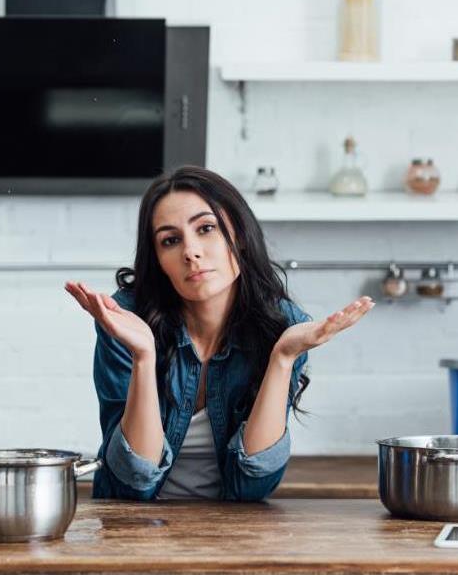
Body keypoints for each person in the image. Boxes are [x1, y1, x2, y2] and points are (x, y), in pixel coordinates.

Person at [65, 165, 374, 501]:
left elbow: (251, 486)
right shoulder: (126, 319)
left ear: (238, 235)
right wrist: (144, 356)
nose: (191, 252)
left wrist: (283, 358)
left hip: (232, 532)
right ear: (158, 259)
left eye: (206, 228)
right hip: (131, 531)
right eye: (170, 240)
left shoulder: (281, 326)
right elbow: (133, 483)